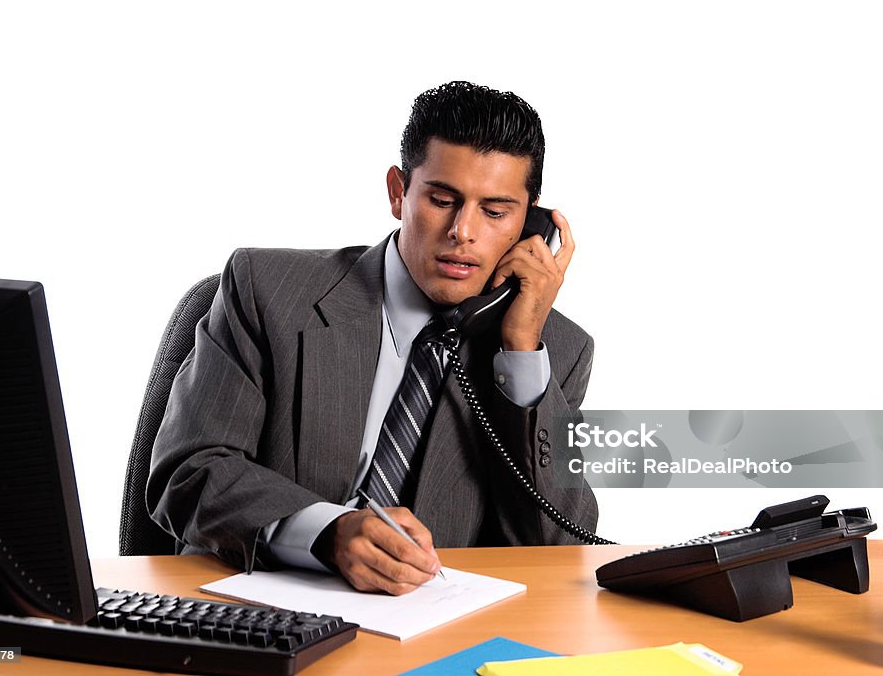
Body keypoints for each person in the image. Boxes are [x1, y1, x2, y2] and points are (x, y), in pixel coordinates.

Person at [147, 81, 598, 595]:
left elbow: (560, 545)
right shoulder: (265, 288)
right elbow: (188, 471)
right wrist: (326, 531)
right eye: (443, 199)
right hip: (258, 607)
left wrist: (519, 353)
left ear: (529, 222)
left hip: (433, 634)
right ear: (397, 191)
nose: (463, 232)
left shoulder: (553, 353)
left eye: (495, 212)